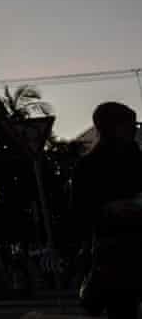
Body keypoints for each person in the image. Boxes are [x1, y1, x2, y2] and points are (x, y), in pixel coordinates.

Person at [73, 102, 142, 319]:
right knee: (123, 309)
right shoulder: (88, 167)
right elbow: (79, 212)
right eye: (129, 124)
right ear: (111, 127)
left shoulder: (137, 159)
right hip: (115, 256)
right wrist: (108, 210)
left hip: (126, 251)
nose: (134, 129)